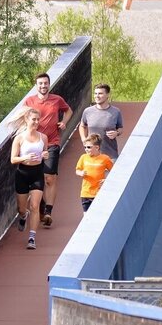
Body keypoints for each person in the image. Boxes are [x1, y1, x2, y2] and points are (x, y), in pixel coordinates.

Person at [22, 72, 71, 228]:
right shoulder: (29, 101)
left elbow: (68, 110)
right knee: (37, 178)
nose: (43, 86)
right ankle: (41, 207)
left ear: (49, 84)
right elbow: (22, 118)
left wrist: (63, 122)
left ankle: (48, 212)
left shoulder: (57, 100)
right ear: (36, 85)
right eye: (40, 83)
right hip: (34, 144)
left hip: (52, 143)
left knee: (50, 178)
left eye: (46, 83)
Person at [10, 108, 45, 250]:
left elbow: (44, 153)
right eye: (33, 119)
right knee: (21, 209)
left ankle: (32, 238)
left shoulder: (43, 137)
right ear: (27, 120)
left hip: (37, 173)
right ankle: (24, 216)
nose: (36, 122)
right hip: (22, 174)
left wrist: (45, 155)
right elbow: (13, 159)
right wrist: (25, 157)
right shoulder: (19, 138)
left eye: (38, 119)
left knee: (35, 206)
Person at [78, 82, 123, 160]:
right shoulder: (88, 111)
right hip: (92, 156)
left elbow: (120, 128)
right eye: (95, 93)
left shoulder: (116, 112)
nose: (97, 96)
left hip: (110, 156)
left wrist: (117, 133)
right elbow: (82, 126)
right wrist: (84, 139)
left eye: (100, 93)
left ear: (108, 95)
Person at [75, 134, 113, 213]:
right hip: (86, 192)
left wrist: (106, 180)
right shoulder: (83, 157)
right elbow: (77, 170)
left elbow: (114, 172)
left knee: (98, 213)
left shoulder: (105, 158)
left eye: (89, 147)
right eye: (85, 147)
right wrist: (81, 173)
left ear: (97, 147)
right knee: (86, 214)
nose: (86, 149)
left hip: (99, 192)